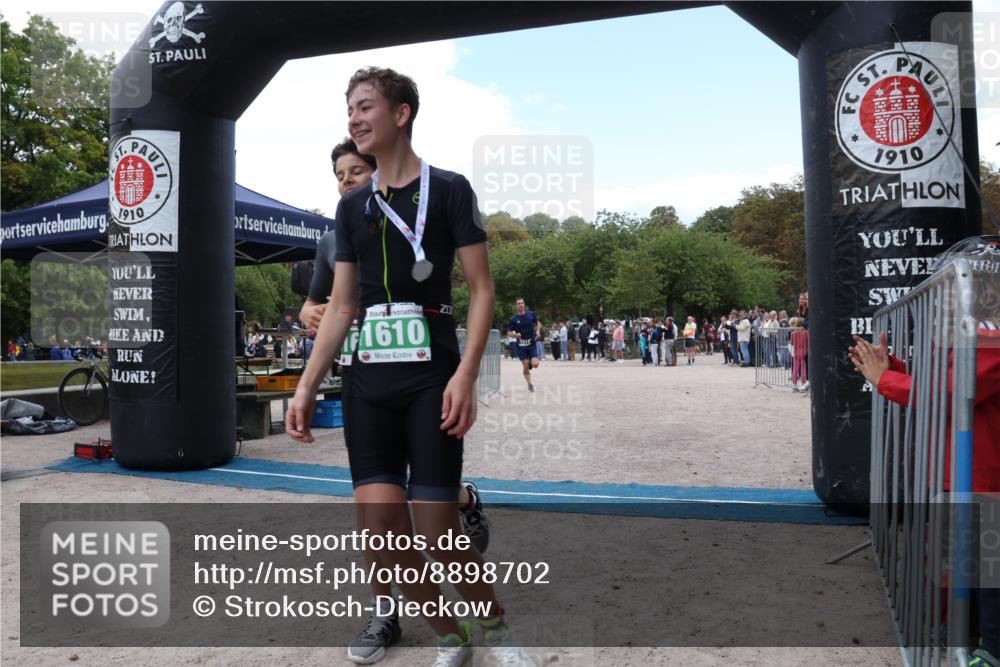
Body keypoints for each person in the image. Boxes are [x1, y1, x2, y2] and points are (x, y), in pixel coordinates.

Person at [286, 67, 520, 666]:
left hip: (432, 377)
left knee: (437, 529)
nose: (354, 119)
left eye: (365, 107)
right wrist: (307, 386)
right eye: (349, 111)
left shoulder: (448, 190)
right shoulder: (350, 209)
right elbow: (340, 304)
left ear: (401, 113)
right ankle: (451, 634)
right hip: (368, 381)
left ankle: (493, 629)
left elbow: (482, 290)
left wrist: (466, 373)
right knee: (379, 530)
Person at [850, 235, 1000, 666]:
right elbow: (943, 378)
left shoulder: (991, 328)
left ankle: (987, 650)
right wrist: (892, 367)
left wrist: (887, 380)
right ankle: (963, 637)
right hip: (962, 466)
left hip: (983, 469)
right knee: (965, 564)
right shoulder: (974, 325)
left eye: (955, 283)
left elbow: (957, 390)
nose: (948, 292)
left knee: (986, 572)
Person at [507, 297, 541, 392]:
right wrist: (515, 335)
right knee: (525, 366)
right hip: (521, 346)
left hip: (532, 344)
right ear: (516, 306)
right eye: (518, 303)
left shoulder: (531, 314)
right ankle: (529, 384)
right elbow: (508, 333)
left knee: (536, 364)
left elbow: (537, 323)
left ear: (524, 304)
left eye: (522, 303)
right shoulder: (513, 319)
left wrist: (537, 331)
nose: (520, 305)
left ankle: (531, 362)